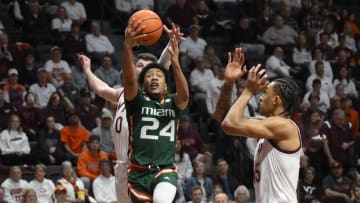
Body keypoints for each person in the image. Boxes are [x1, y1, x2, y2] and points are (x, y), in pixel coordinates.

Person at [79, 22, 184, 203]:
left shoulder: (149, 93)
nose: (143, 67)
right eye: (139, 64)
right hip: (121, 165)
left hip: (142, 164)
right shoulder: (122, 93)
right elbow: (101, 88)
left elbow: (163, 63)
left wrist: (171, 43)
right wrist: (87, 70)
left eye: (147, 66)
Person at [215, 48, 301, 202]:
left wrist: (248, 90)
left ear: (276, 100)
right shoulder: (268, 126)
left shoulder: (285, 127)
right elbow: (223, 118)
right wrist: (229, 83)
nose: (260, 97)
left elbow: (229, 124)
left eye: (265, 92)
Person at [122, 18, 189, 203]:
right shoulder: (137, 102)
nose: (154, 78)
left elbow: (184, 97)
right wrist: (127, 47)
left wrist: (175, 63)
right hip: (138, 173)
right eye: (149, 76)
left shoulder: (172, 102)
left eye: (159, 75)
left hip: (164, 170)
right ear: (142, 85)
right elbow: (129, 81)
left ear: (166, 86)